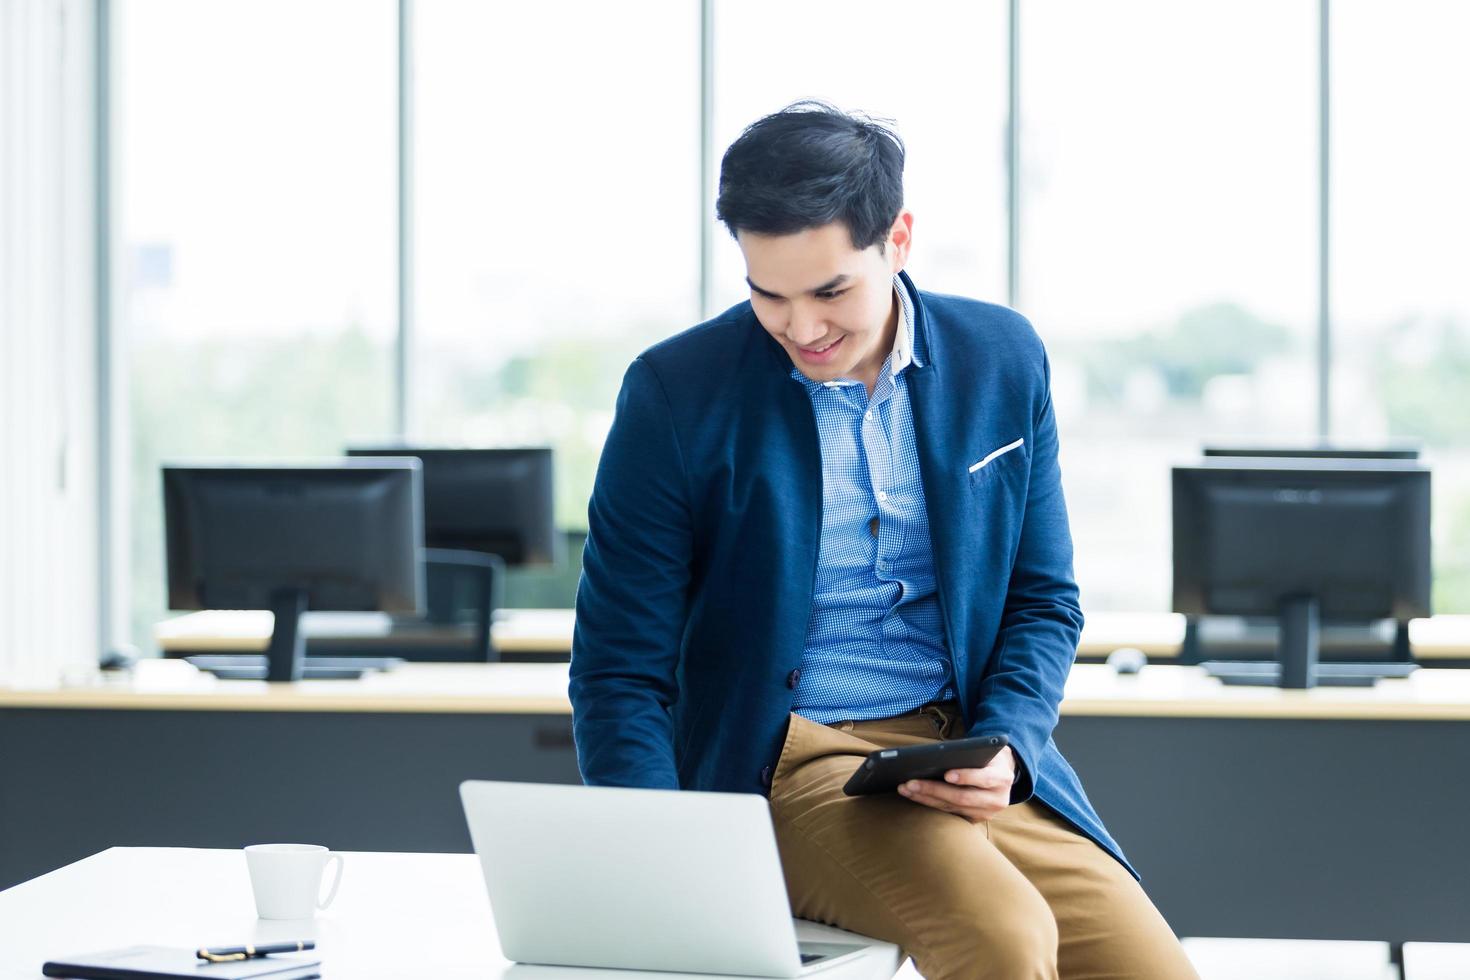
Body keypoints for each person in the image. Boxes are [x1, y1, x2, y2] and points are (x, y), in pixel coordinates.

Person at [569, 101, 1198, 980]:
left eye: (830, 292)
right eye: (767, 294)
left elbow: (1042, 599)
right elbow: (617, 669)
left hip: (960, 749)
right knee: (1004, 937)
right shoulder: (677, 393)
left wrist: (1011, 743)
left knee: (1151, 972)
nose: (801, 328)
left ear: (897, 239)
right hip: (789, 762)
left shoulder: (1000, 359)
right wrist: (669, 859)